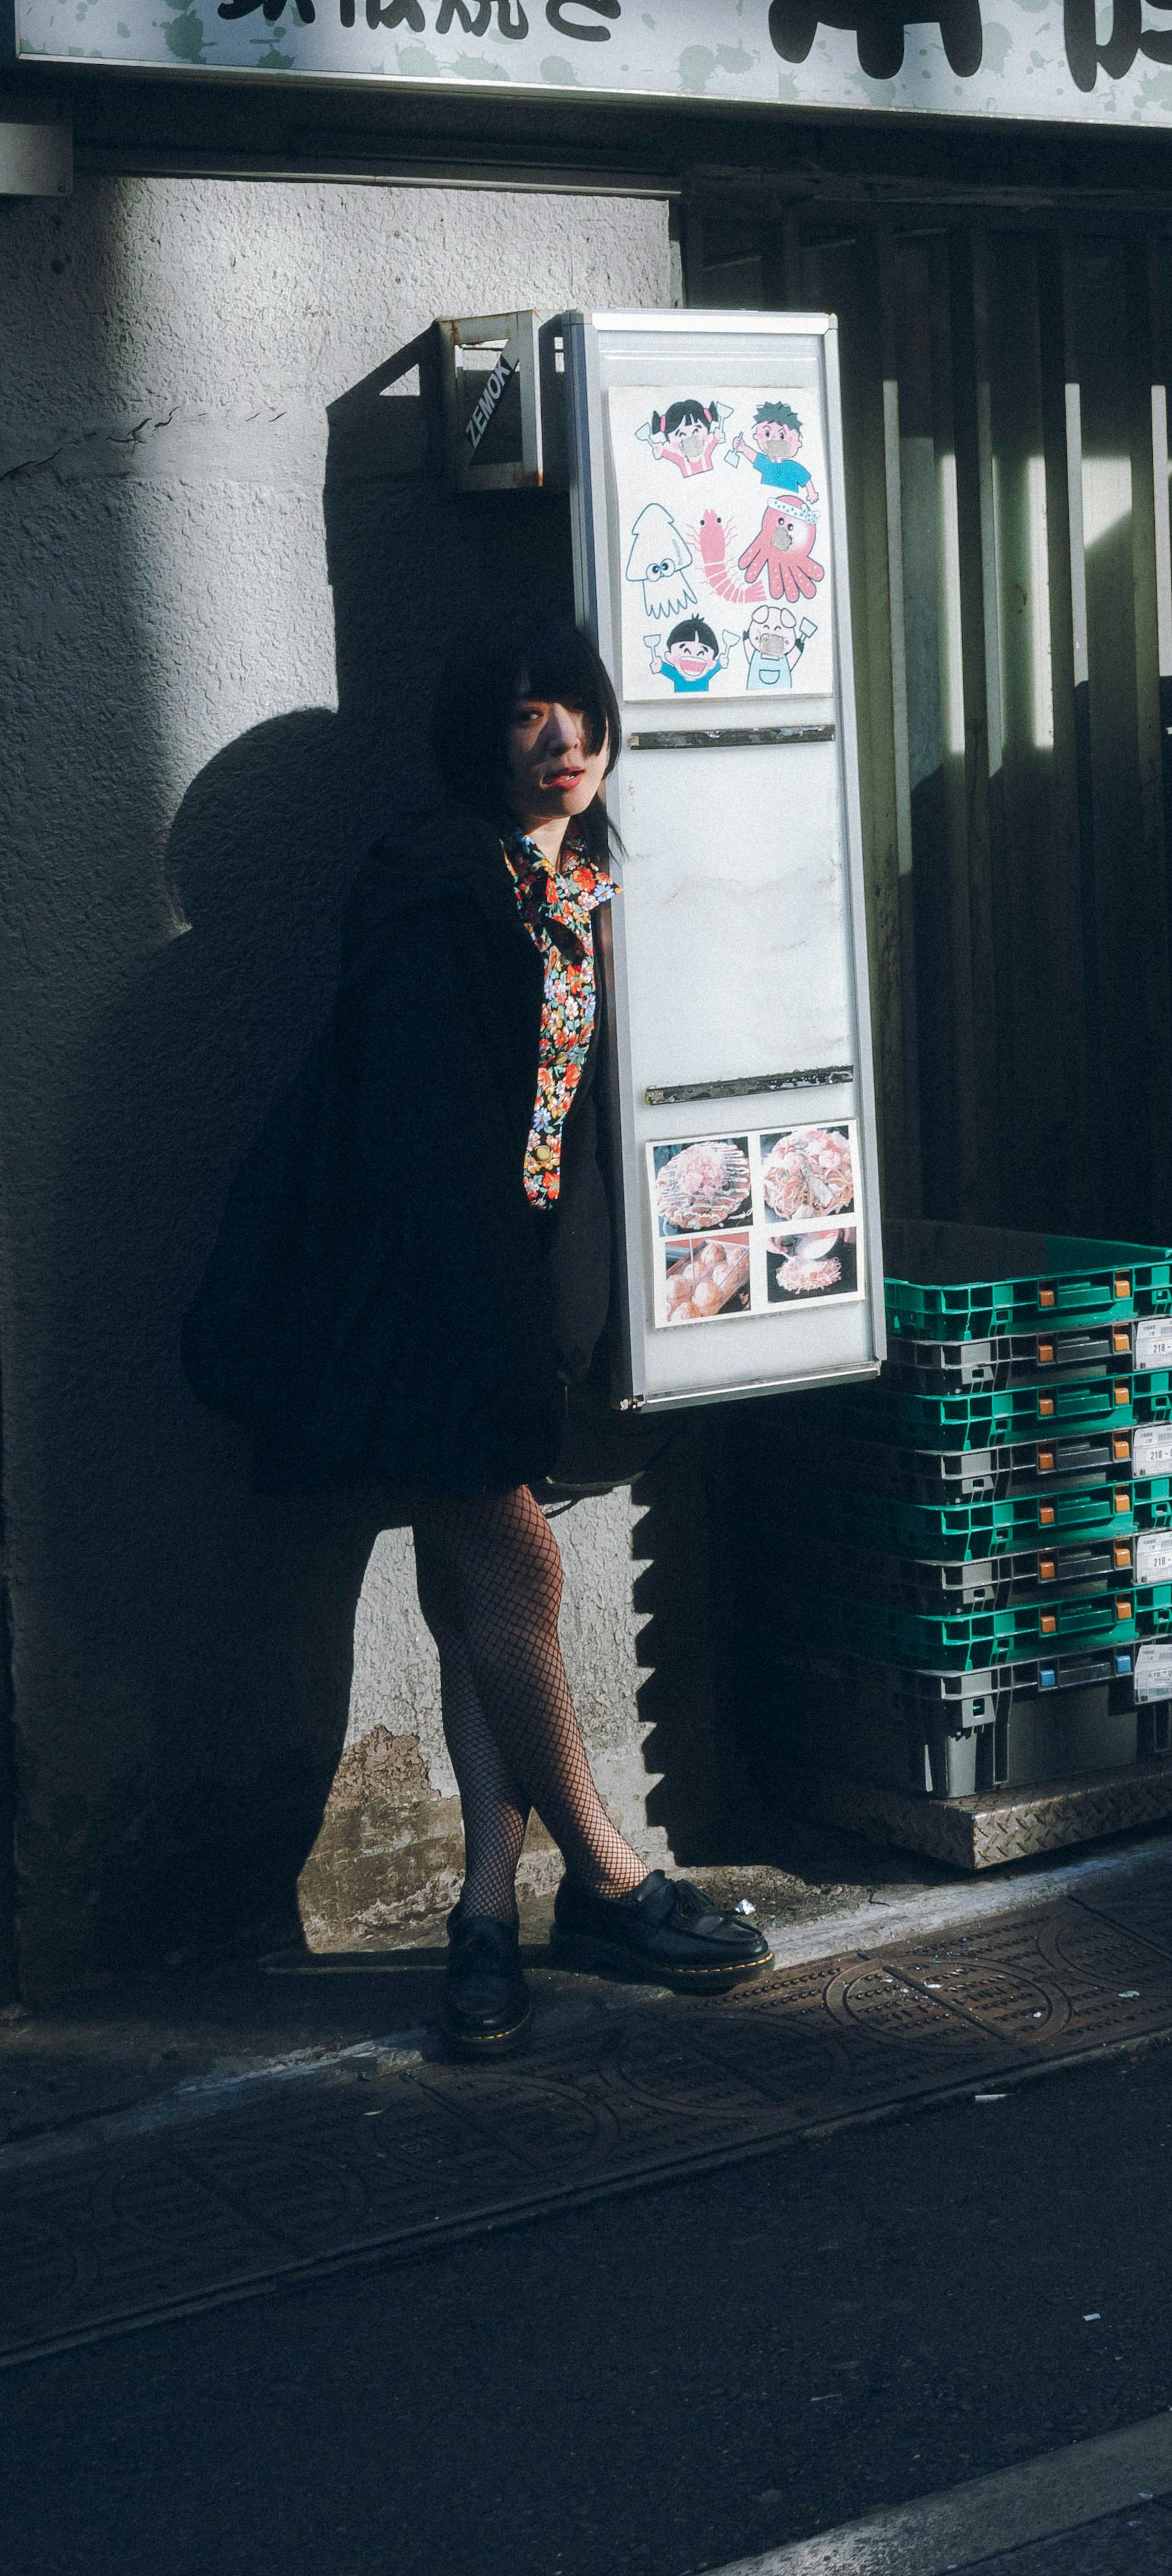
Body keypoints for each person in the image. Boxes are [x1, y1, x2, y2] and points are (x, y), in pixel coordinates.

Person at [185, 606, 770, 2057]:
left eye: (573, 709)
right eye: (524, 718)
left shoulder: (588, 884)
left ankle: (484, 1915)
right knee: (516, 1563)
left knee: (469, 1607)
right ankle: (611, 1873)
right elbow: (419, 1138)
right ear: (479, 742)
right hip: (422, 1289)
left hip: (514, 1280)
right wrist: (498, 1318)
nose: (561, 740)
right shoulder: (438, 882)